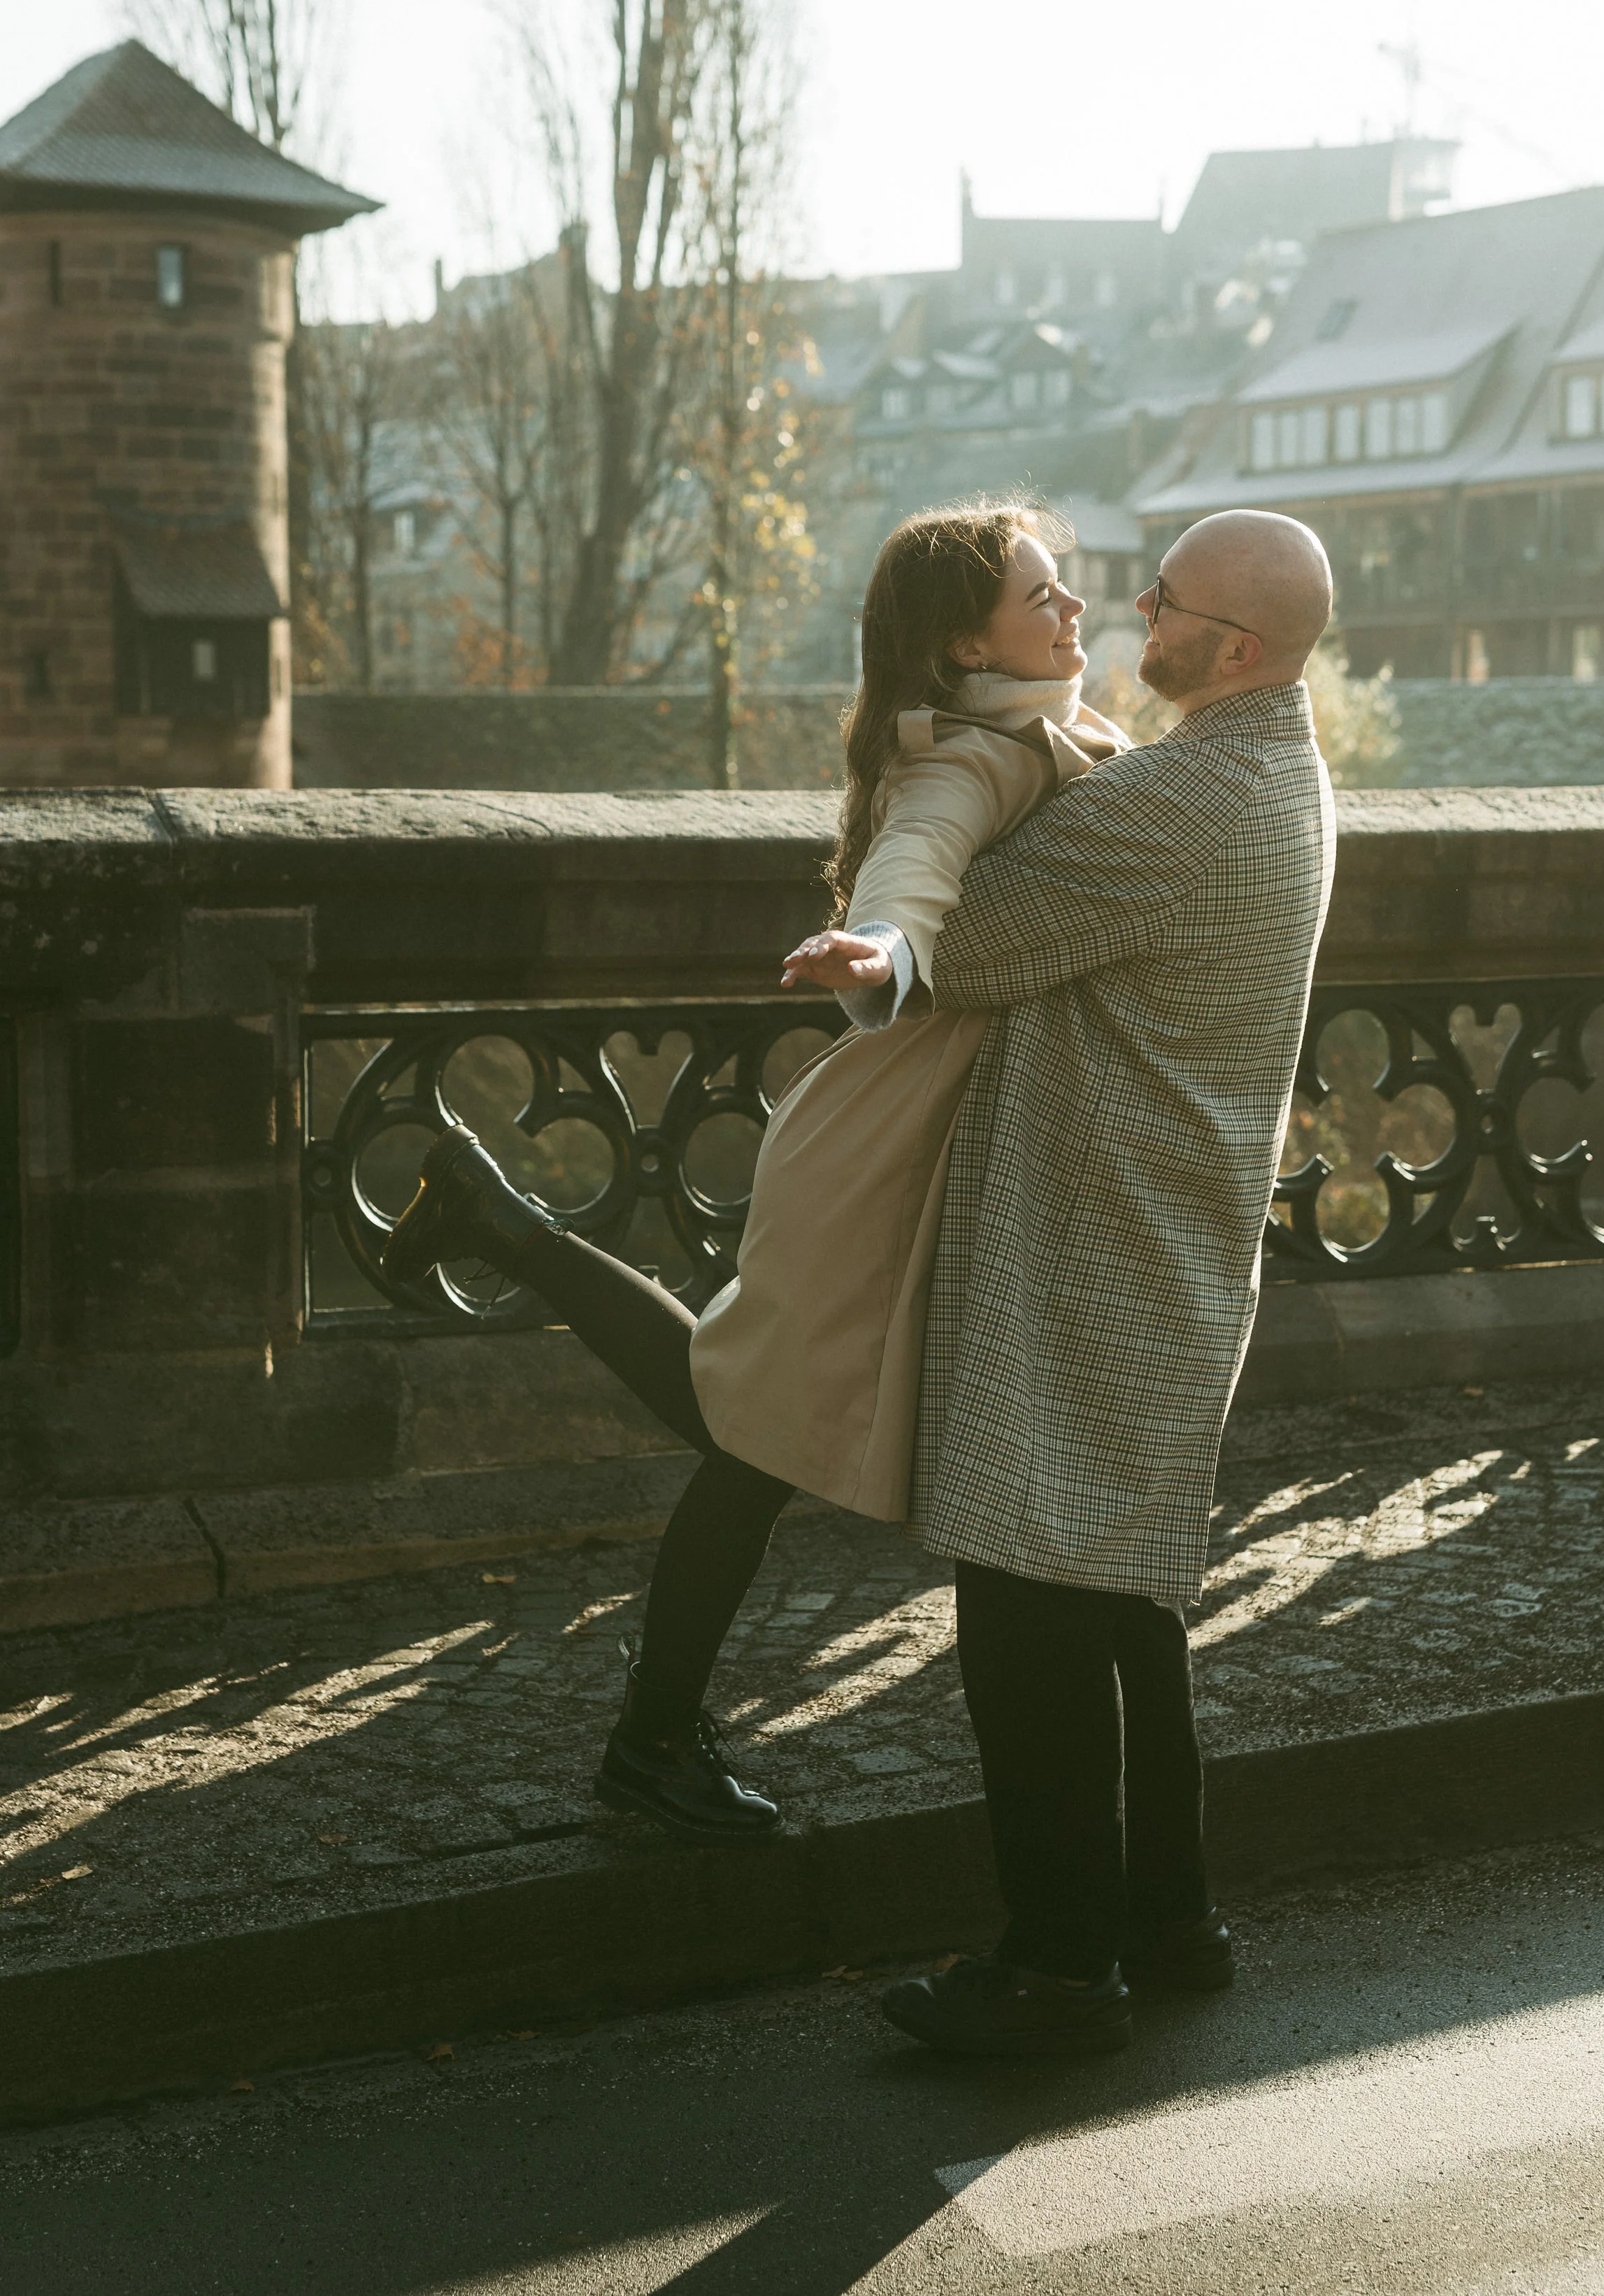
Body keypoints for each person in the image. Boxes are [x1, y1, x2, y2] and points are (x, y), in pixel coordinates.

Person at [378, 501, 1129, 1841]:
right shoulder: (970, 758)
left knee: (750, 1426)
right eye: (1043, 592)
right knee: (750, 1435)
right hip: (883, 1152)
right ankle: (650, 1742)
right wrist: (885, 950)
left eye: (1065, 588)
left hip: (915, 1145)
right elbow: (919, 863)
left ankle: (500, 1219)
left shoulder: (1027, 735)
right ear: (967, 642)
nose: (1072, 608)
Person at [873, 506, 1337, 2060]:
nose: (1139, 607)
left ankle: (1057, 1969)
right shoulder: (1268, 763)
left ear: (1239, 649)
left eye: (1170, 599)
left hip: (1096, 1246)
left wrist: (969, 770)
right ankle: (1166, 1920)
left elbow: (976, 946)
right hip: (1162, 1234)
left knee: (1024, 1610)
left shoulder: (1188, 797)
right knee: (1124, 1596)